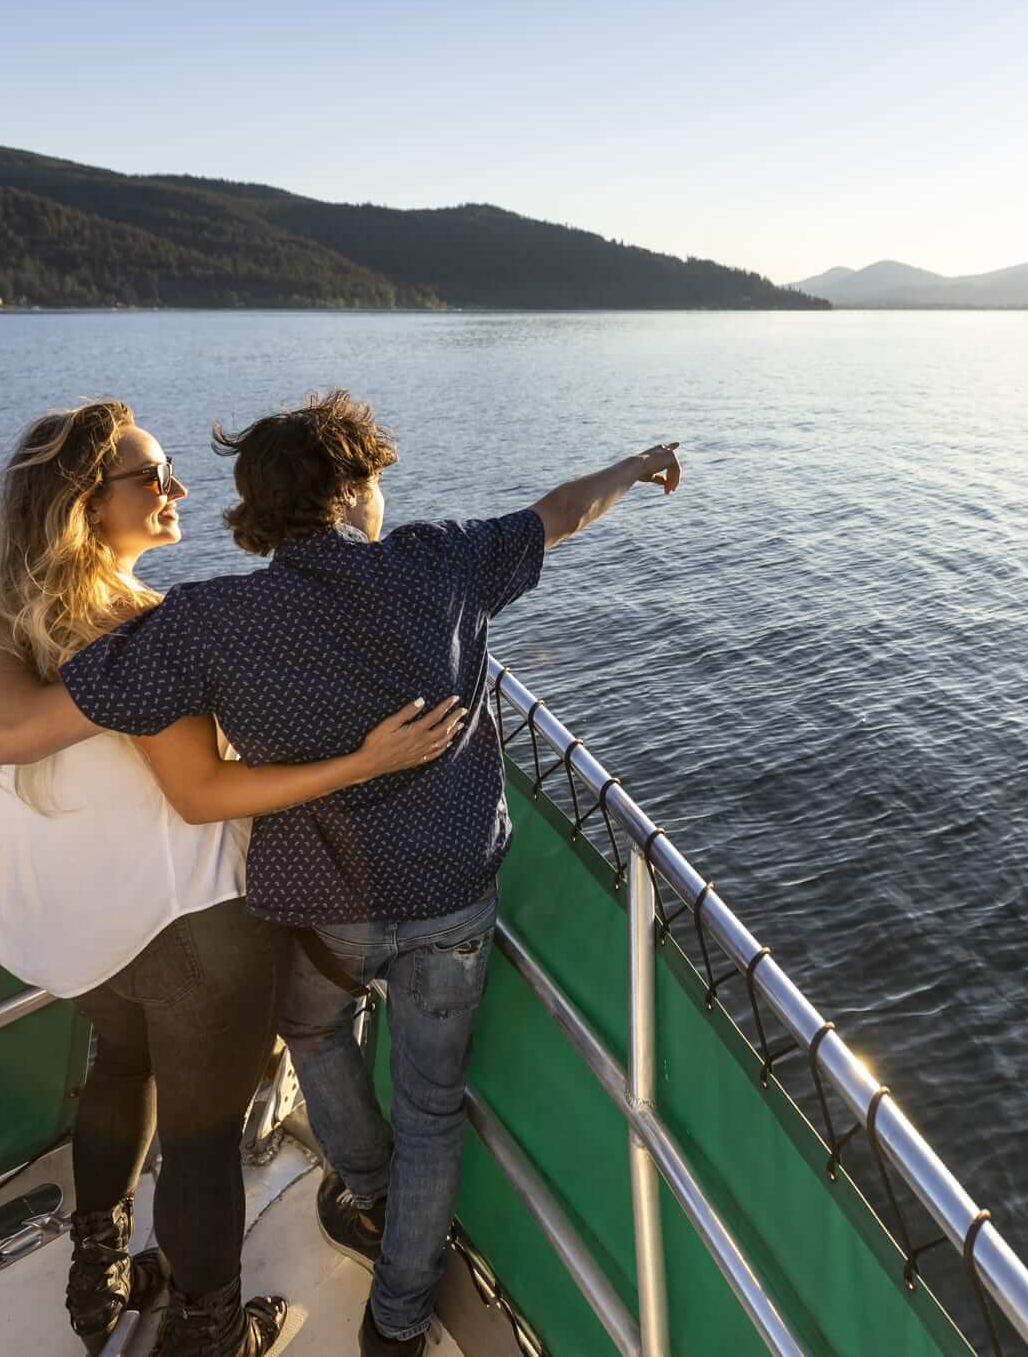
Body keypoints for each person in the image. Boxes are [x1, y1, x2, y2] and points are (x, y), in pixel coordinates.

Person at [46, 389, 682, 1357]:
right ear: (349, 487)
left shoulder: (215, 617)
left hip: (325, 909)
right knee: (434, 1106)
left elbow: (91, 681)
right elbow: (563, 510)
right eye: (373, 477)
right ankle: (395, 1322)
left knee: (308, 1023)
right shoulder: (442, 562)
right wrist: (636, 464)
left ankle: (376, 1192)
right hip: (452, 897)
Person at [0, 400, 468, 1357]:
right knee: (201, 1134)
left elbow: (9, 729)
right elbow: (201, 794)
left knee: (117, 1069)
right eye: (149, 477)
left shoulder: (15, 609)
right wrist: (361, 762)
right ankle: (205, 1324)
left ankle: (98, 1263)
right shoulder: (135, 628)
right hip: (189, 920)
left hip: (93, 920)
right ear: (83, 503)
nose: (177, 489)